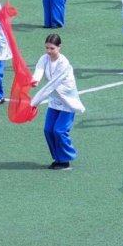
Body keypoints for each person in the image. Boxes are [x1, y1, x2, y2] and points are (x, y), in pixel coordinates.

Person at [30, 33, 84, 170]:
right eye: (47, 48)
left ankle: (65, 160)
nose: (48, 51)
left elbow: (51, 85)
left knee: (59, 130)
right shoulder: (44, 58)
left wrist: (33, 102)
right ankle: (57, 158)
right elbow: (38, 71)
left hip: (67, 99)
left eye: (52, 48)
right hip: (55, 98)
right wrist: (34, 80)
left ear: (59, 47)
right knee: (48, 129)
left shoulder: (63, 63)